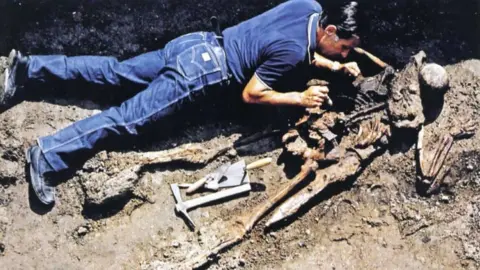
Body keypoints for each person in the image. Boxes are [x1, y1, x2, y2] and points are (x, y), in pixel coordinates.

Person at [0, 0, 361, 205]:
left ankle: (29, 68)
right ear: (329, 31)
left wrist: (333, 64)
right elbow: (252, 93)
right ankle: (48, 154)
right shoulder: (293, 51)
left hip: (194, 44)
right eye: (343, 47)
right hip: (203, 74)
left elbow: (284, 45)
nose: (344, 52)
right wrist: (299, 97)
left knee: (115, 73)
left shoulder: (309, 5)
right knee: (126, 119)